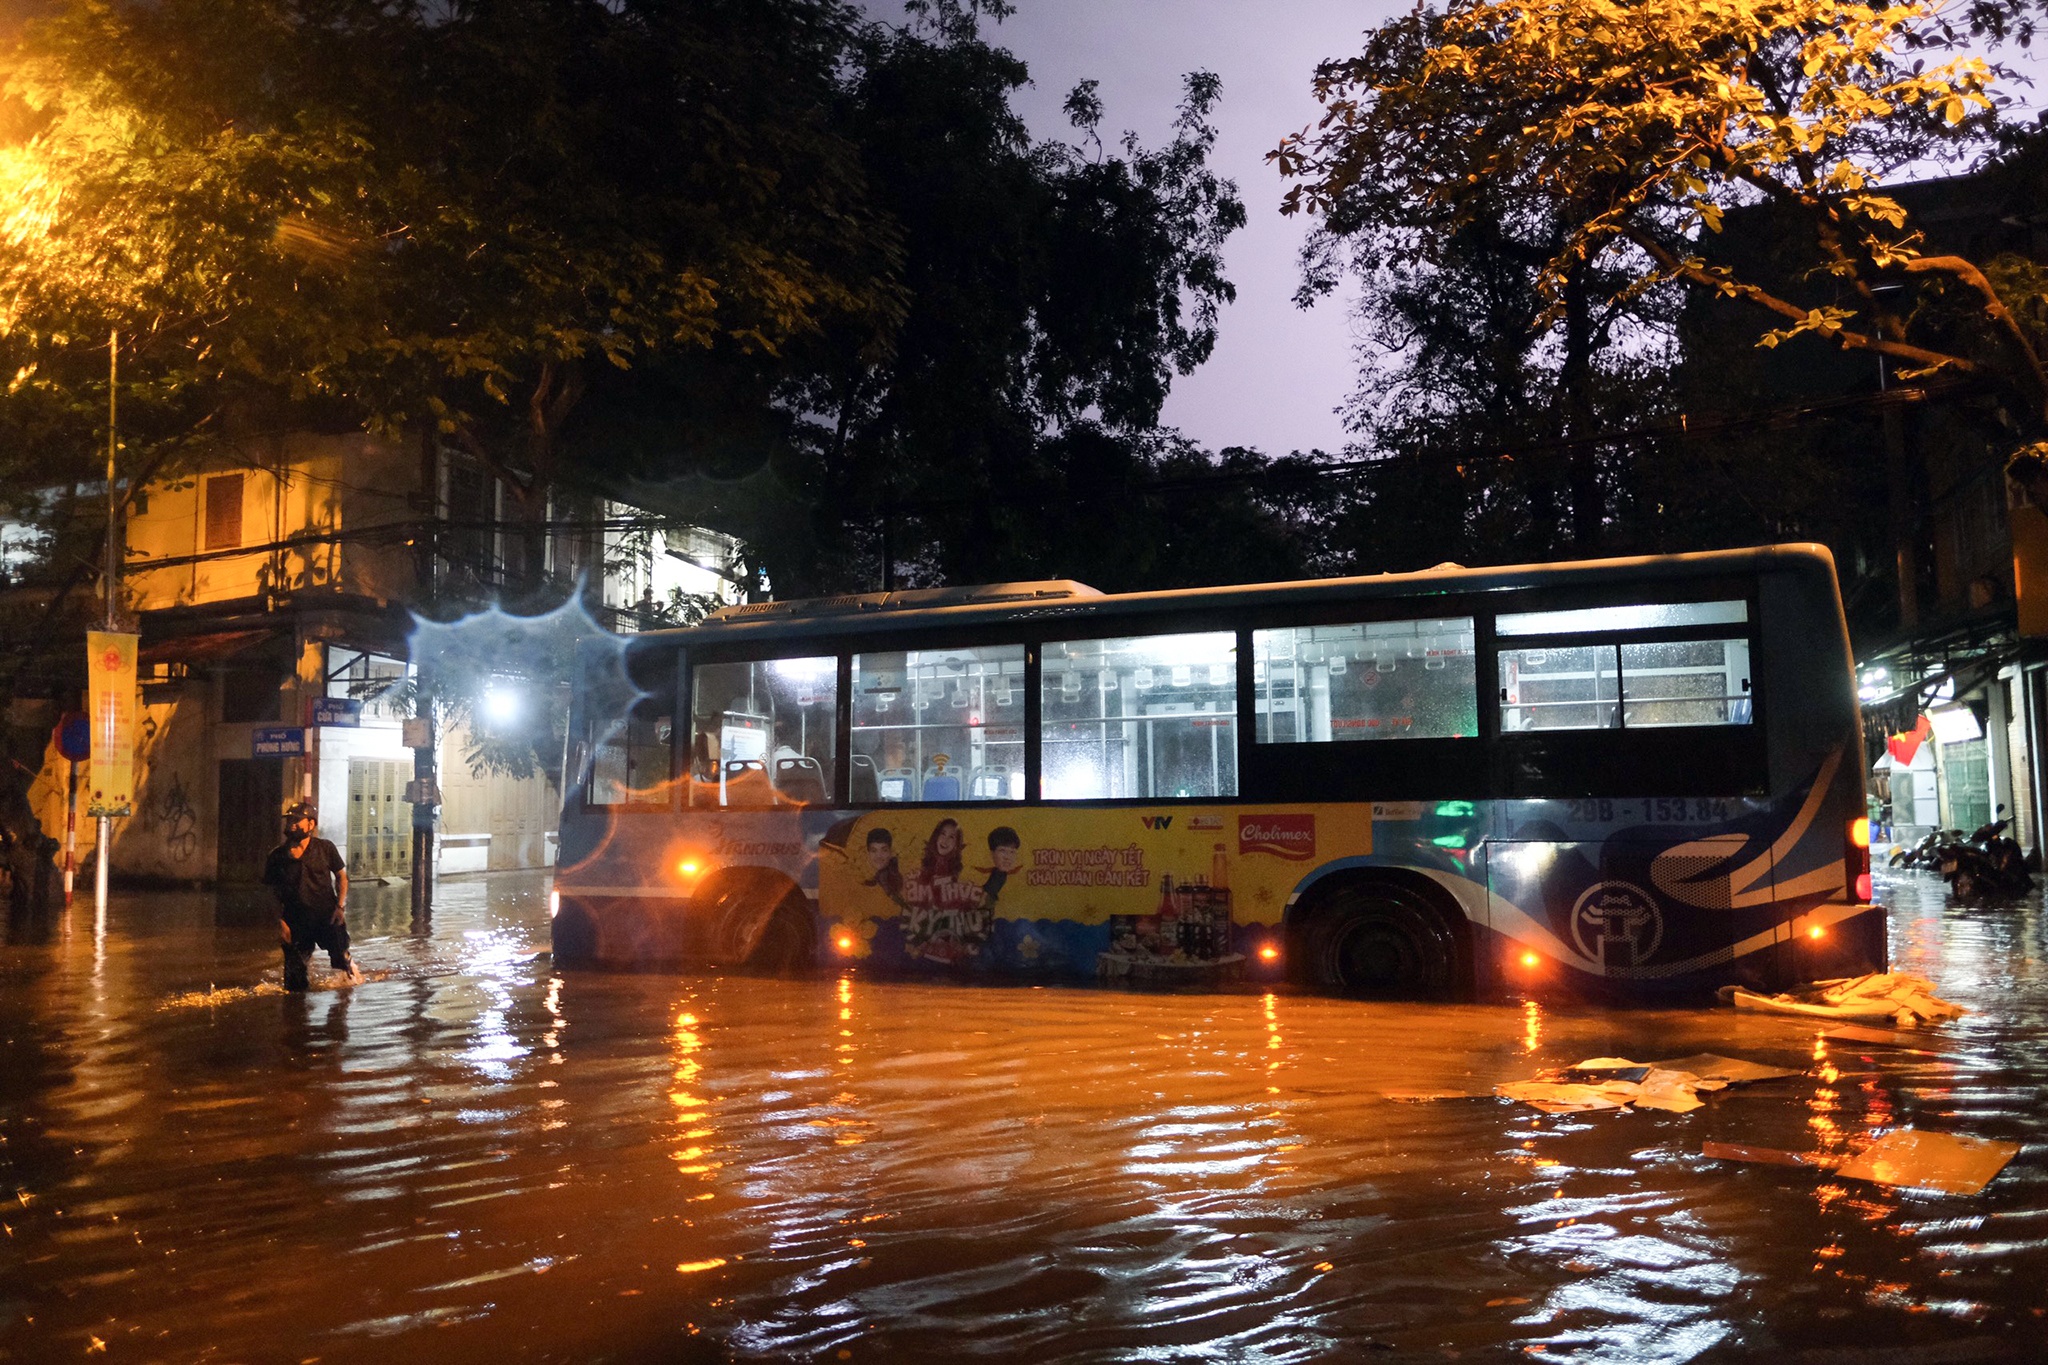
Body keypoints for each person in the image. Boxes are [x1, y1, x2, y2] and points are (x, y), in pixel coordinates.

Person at [264, 802, 359, 990]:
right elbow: (270, 892)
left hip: (327, 917)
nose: (292, 823)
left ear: (311, 824)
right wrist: (279, 922)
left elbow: (341, 877)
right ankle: (297, 1016)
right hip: (295, 922)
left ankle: (350, 986)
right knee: (294, 984)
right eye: (290, 819)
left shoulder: (325, 848)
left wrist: (340, 907)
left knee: (341, 960)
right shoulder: (277, 856)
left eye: (297, 820)